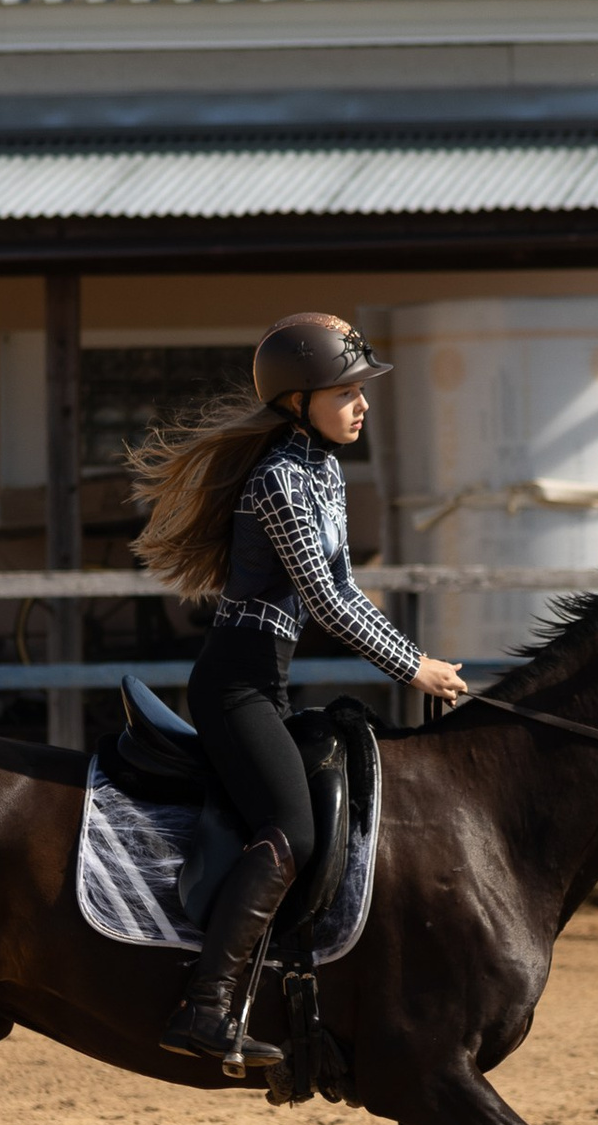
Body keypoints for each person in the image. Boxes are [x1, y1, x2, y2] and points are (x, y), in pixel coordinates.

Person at [131, 312, 468, 1072]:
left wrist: (413, 659)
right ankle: (205, 1006)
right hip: (234, 684)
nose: (363, 404)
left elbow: (345, 587)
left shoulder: (326, 474)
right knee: (293, 828)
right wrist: (413, 665)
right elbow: (326, 600)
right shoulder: (279, 479)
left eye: (362, 391)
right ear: (297, 401)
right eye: (346, 392)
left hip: (268, 681)